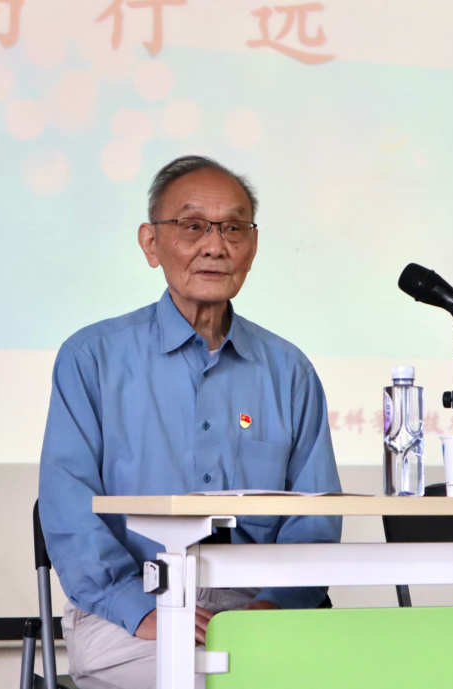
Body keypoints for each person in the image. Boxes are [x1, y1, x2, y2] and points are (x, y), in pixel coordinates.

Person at [38, 155, 342, 689]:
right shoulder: (92, 358)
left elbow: (315, 519)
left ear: (252, 246)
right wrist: (141, 610)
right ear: (151, 243)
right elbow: (68, 510)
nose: (215, 246)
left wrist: (274, 604)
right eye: (193, 226)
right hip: (128, 610)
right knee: (205, 679)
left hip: (258, 610)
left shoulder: (289, 370)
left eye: (233, 228)